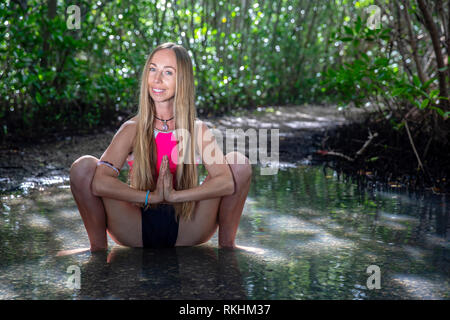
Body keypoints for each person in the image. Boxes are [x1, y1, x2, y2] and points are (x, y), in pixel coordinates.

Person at [69, 42, 252, 252]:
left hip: (188, 227)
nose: (157, 79)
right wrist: (152, 197)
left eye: (168, 72)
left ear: (182, 80)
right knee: (83, 167)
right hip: (135, 228)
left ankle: (228, 248)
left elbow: (227, 183)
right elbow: (99, 183)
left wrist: (174, 196)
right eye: (153, 69)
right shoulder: (132, 128)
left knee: (239, 164)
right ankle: (97, 250)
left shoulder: (196, 129)